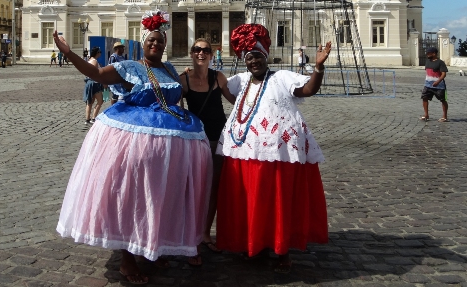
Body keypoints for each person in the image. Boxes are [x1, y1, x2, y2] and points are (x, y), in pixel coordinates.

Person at [53, 9, 212, 285]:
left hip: (168, 146)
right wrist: (69, 53)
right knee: (133, 197)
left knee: (160, 196)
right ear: (143, 41)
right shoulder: (130, 66)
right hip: (136, 143)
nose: (156, 45)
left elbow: (180, 96)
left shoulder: (169, 68)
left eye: (160, 41)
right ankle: (127, 259)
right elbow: (97, 73)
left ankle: (153, 245)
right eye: (152, 40)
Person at [215, 24, 332, 274]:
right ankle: (255, 244)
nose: (254, 61)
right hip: (246, 153)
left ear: (265, 57)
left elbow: (308, 89)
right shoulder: (242, 81)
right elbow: (227, 92)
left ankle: (282, 250)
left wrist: (318, 67)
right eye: (249, 57)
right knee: (253, 201)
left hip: (279, 155)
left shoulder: (281, 77)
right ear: (244, 61)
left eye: (257, 56)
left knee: (277, 201)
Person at [179, 38, 236, 263]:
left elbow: (235, 100)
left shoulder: (218, 77)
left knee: (213, 188)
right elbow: (172, 107)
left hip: (219, 139)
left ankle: (204, 234)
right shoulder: (183, 80)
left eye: (205, 50)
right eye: (197, 50)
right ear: (191, 54)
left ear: (212, 55)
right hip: (195, 141)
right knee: (194, 189)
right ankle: (190, 239)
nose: (201, 53)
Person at [420, 47, 449, 122]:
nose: (427, 55)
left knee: (443, 100)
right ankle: (426, 115)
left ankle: (444, 116)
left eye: (429, 53)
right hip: (428, 85)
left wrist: (438, 81)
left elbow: (443, 74)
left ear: (434, 53)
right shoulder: (427, 62)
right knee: (424, 98)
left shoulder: (440, 62)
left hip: (439, 86)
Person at [83, 47, 105, 125]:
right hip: (94, 83)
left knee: (90, 102)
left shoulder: (89, 61)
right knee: (100, 100)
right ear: (97, 53)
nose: (100, 54)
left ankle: (87, 119)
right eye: (100, 52)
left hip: (89, 82)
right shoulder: (94, 61)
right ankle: (93, 117)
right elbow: (96, 74)